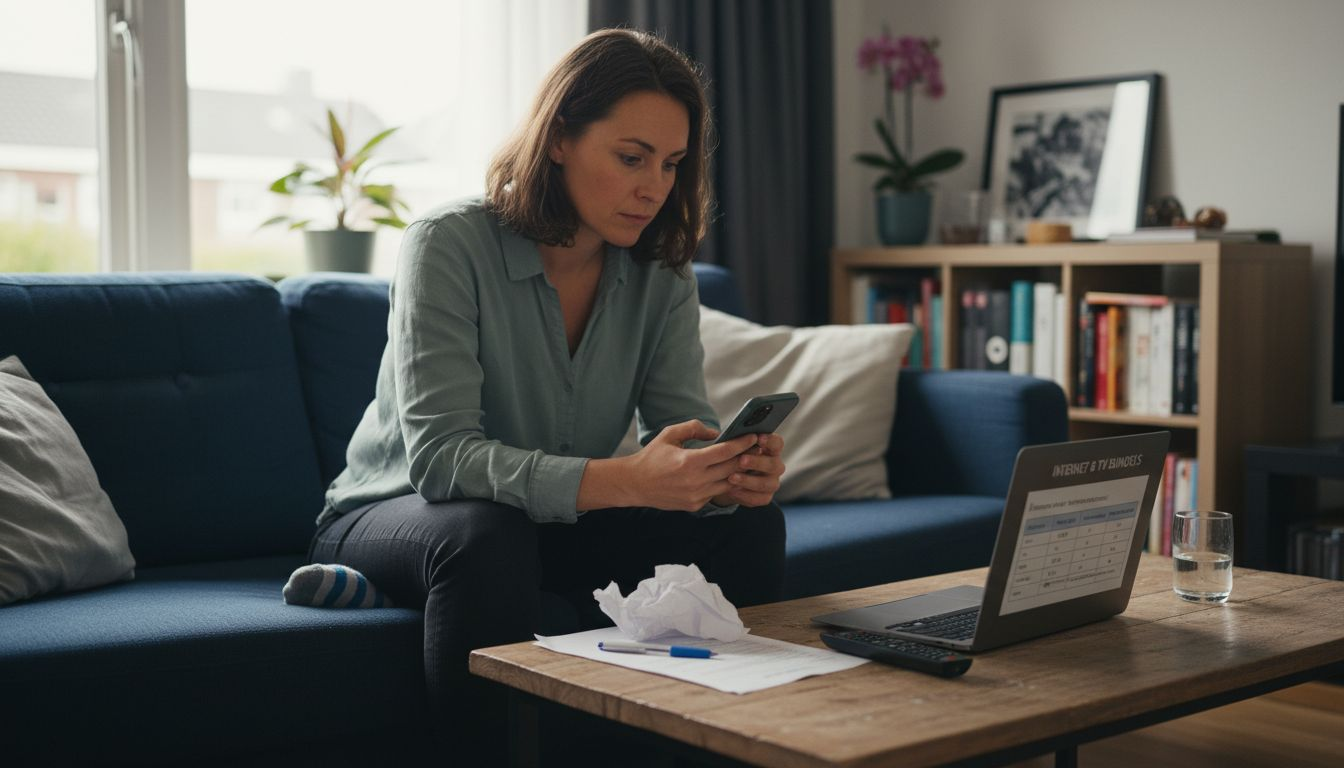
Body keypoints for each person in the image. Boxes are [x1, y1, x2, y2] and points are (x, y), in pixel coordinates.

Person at [298, 28, 788, 756]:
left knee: (750, 527)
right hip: (396, 510)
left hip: (547, 526)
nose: (654, 186)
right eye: (631, 157)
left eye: (671, 163)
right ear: (559, 138)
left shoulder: (662, 274)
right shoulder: (448, 244)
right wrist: (626, 480)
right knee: (484, 535)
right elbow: (442, 460)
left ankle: (728, 745)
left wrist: (721, 477)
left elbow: (683, 429)